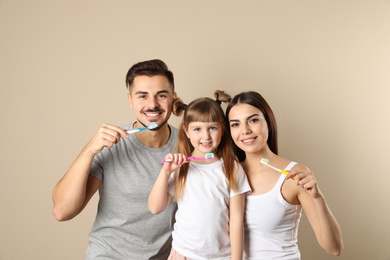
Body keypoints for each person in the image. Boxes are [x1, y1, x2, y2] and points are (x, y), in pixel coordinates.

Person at [52, 59, 182, 259]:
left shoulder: (188, 146)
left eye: (161, 95)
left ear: (173, 98)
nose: (152, 104)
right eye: (142, 96)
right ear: (130, 100)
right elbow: (62, 211)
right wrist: (89, 151)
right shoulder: (111, 145)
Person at [225, 91, 344, 259]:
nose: (245, 130)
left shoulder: (295, 174)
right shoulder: (227, 174)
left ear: (268, 121)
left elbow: (334, 248)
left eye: (253, 120)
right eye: (235, 124)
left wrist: (318, 198)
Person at [148, 91, 251, 260]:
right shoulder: (180, 168)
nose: (206, 136)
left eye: (212, 128)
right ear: (186, 131)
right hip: (183, 255)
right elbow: (155, 207)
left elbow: (237, 222)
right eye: (197, 129)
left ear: (222, 130)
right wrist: (165, 172)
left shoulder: (233, 169)